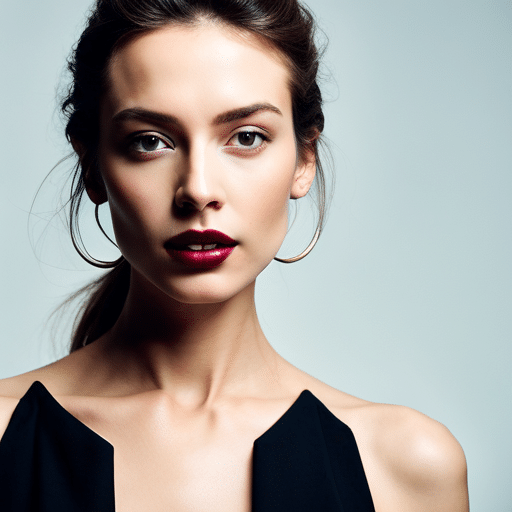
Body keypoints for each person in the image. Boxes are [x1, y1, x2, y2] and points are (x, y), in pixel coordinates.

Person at [0, 0, 469, 510]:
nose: (198, 190)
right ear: (91, 166)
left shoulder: (404, 466)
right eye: (150, 141)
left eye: (246, 137)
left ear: (303, 159)